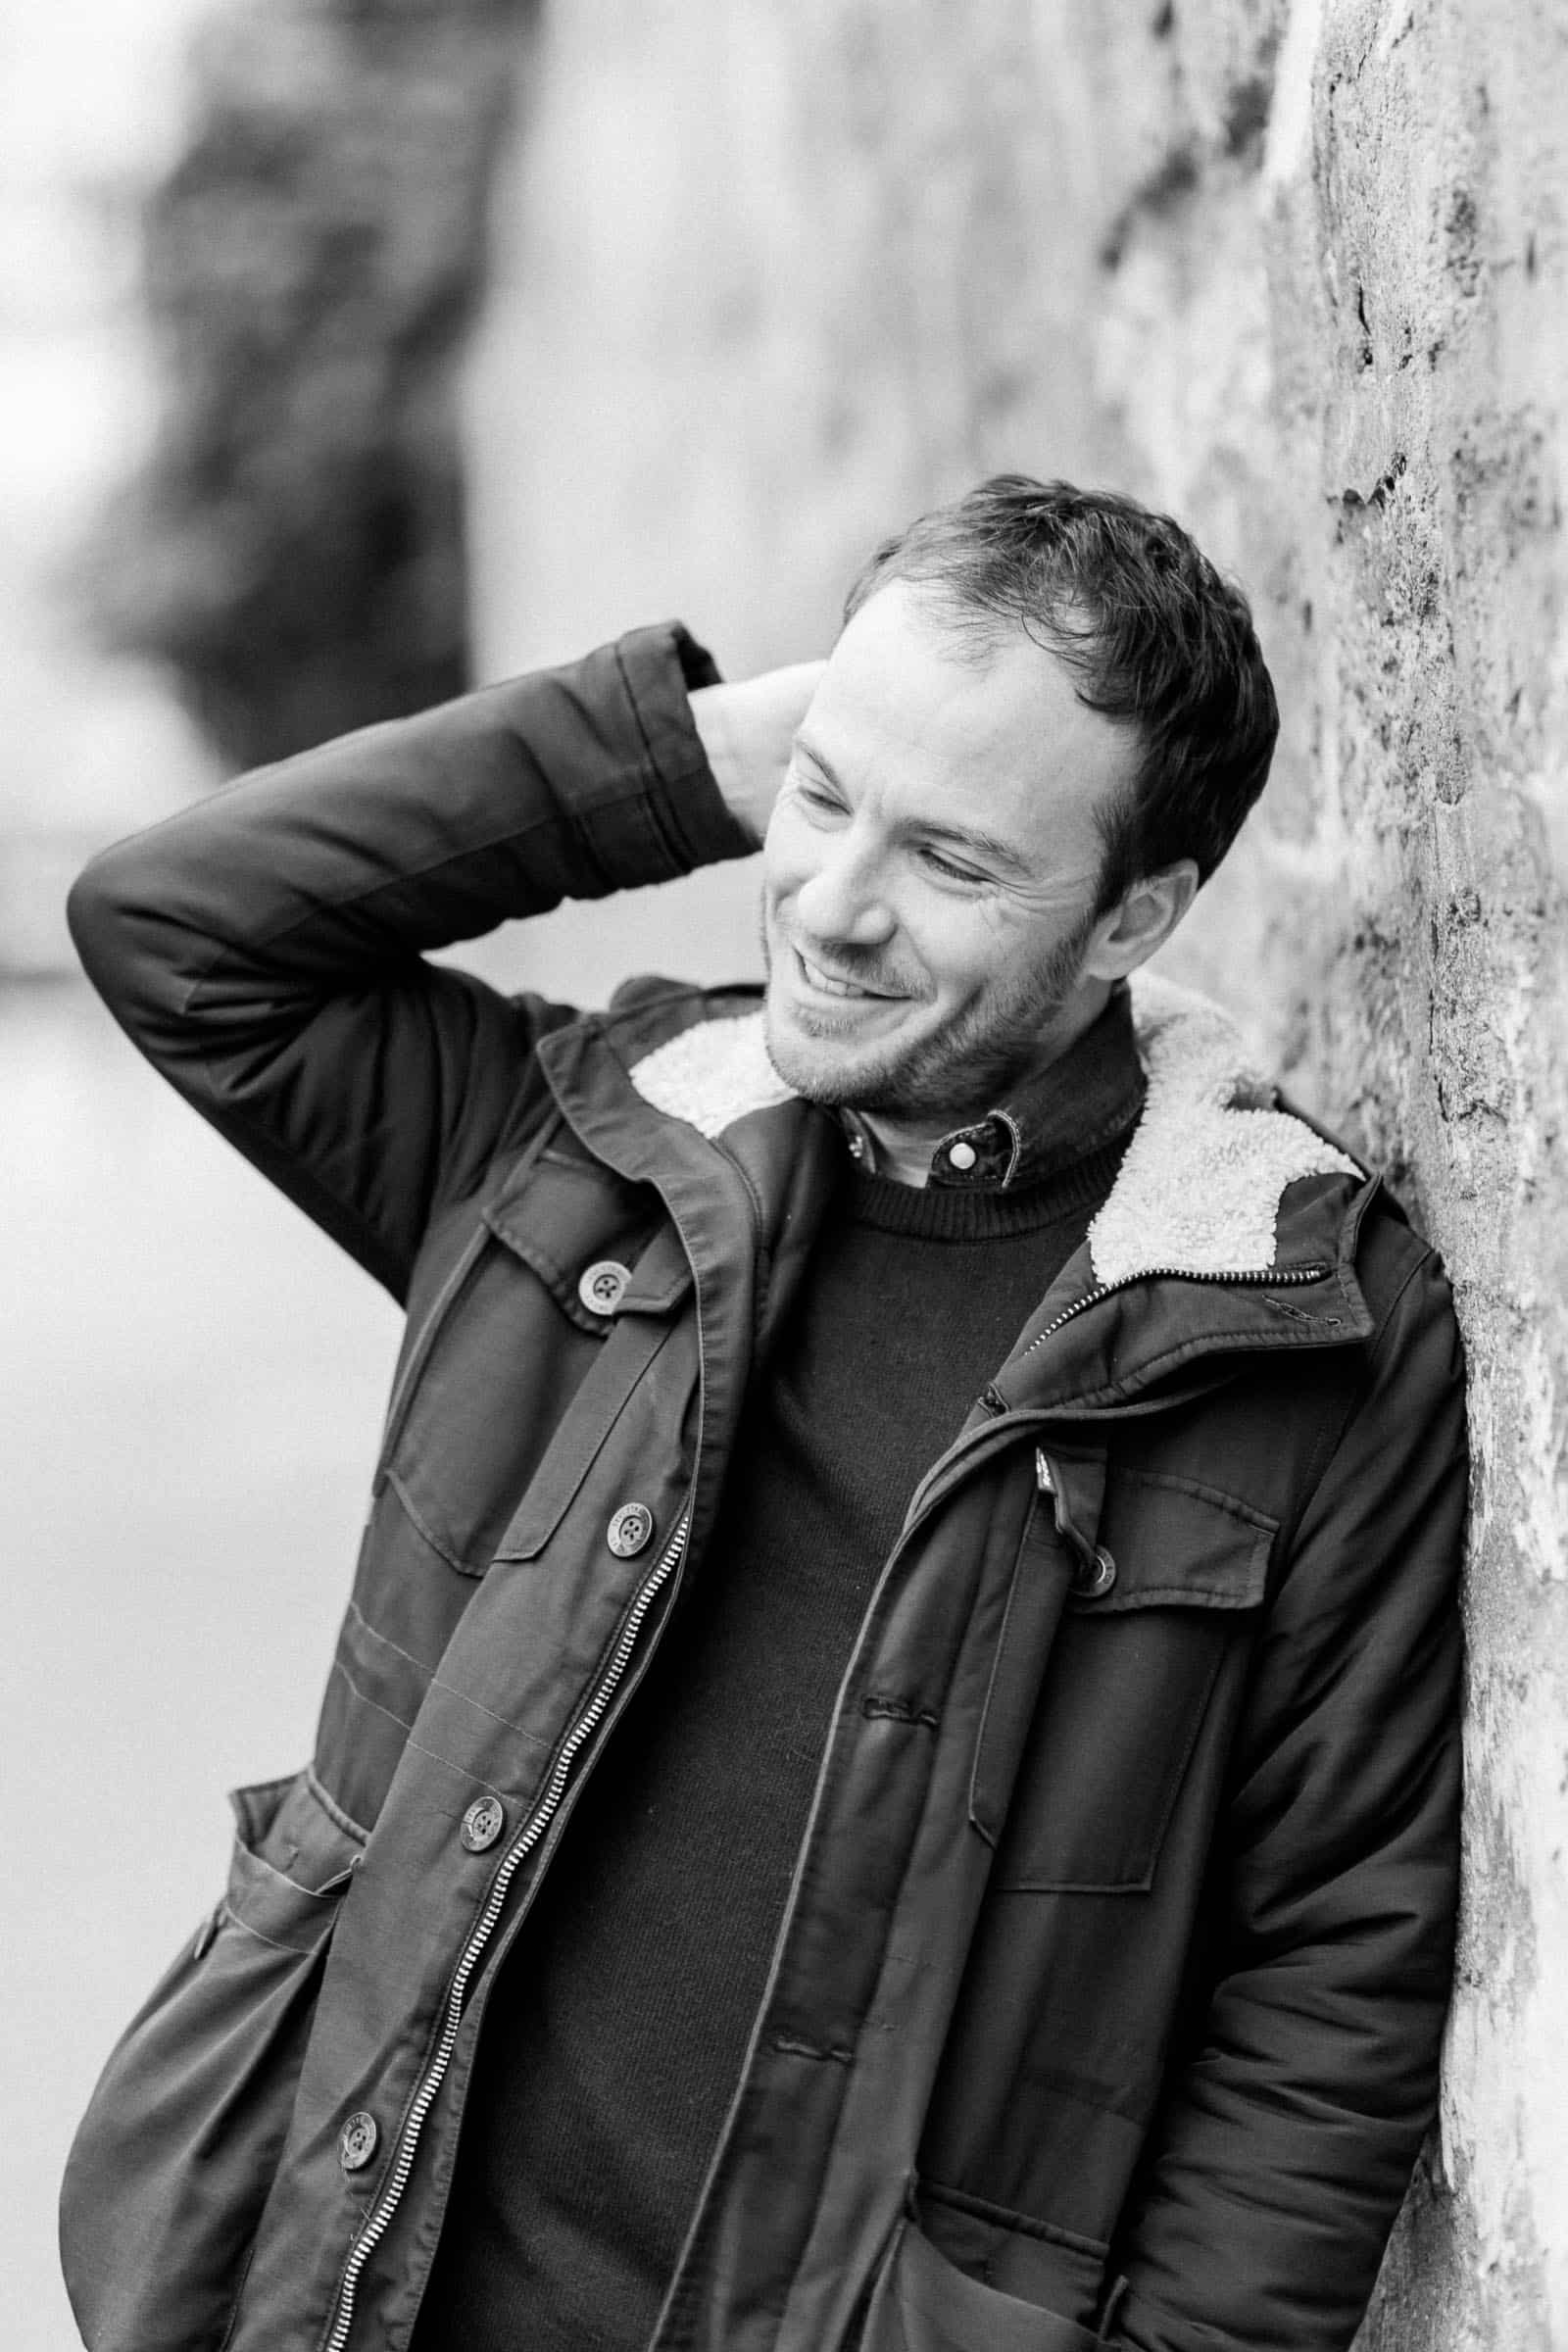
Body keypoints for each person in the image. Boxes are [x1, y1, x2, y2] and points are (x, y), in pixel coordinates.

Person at [60, 476, 1466, 2352]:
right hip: (342, 2286)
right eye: (821, 800)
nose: (833, 907)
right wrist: (693, 751)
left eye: (952, 863)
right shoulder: (578, 1146)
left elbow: (1329, 1981)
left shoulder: (1288, 1324)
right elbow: (177, 931)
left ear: (1136, 916)